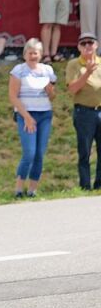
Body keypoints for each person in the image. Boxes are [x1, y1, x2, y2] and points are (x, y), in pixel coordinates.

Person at [8, 38, 56, 199]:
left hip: (44, 114)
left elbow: (53, 96)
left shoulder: (47, 70)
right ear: (25, 54)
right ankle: (19, 188)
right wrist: (27, 117)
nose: (33, 56)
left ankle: (33, 189)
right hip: (25, 114)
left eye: (36, 53)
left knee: (39, 154)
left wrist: (49, 88)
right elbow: (13, 96)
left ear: (40, 54)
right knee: (29, 152)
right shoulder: (18, 70)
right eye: (30, 53)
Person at [66, 31, 101, 190]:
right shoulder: (74, 64)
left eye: (90, 42)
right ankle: (85, 185)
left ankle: (99, 185)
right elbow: (72, 89)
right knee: (84, 151)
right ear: (79, 47)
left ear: (96, 45)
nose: (87, 46)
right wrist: (87, 72)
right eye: (84, 43)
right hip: (84, 113)